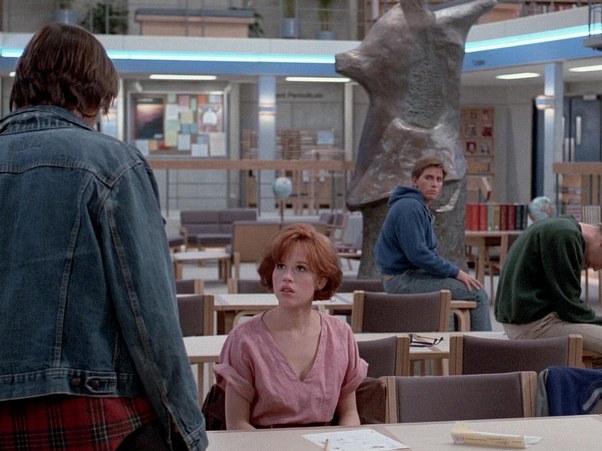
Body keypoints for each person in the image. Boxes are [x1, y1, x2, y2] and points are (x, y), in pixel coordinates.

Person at [0, 23, 206, 450]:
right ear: (95, 97)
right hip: (93, 418)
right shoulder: (113, 165)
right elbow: (150, 316)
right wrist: (189, 431)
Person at [214, 223, 368, 429]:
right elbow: (236, 424)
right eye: (280, 266)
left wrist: (342, 441)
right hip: (261, 442)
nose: (287, 276)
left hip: (326, 442)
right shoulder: (244, 338)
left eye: (300, 268)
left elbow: (349, 414)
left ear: (321, 281)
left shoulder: (341, 334)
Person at [494, 216, 602, 368]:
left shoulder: (563, 227)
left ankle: (599, 386)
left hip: (527, 321)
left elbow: (567, 303)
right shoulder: (565, 237)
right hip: (535, 326)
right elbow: (569, 305)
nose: (596, 268)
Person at [374, 155, 492, 331]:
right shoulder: (410, 207)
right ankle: (482, 347)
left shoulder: (418, 206)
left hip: (410, 276)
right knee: (477, 293)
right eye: (428, 178)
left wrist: (451, 274)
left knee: (463, 289)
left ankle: (461, 344)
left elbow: (425, 254)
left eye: (439, 180)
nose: (434, 184)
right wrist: (456, 272)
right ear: (415, 181)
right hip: (402, 281)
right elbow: (418, 254)